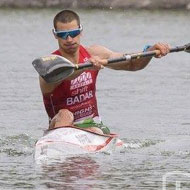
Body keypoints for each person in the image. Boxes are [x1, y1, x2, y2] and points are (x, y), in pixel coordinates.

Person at [39, 9, 170, 135]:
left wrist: (149, 52)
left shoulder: (95, 53)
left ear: (81, 31)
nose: (69, 39)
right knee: (64, 114)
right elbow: (64, 75)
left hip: (93, 125)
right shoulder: (50, 65)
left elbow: (132, 64)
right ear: (55, 34)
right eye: (62, 34)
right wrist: (86, 67)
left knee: (94, 131)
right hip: (60, 125)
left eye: (73, 33)